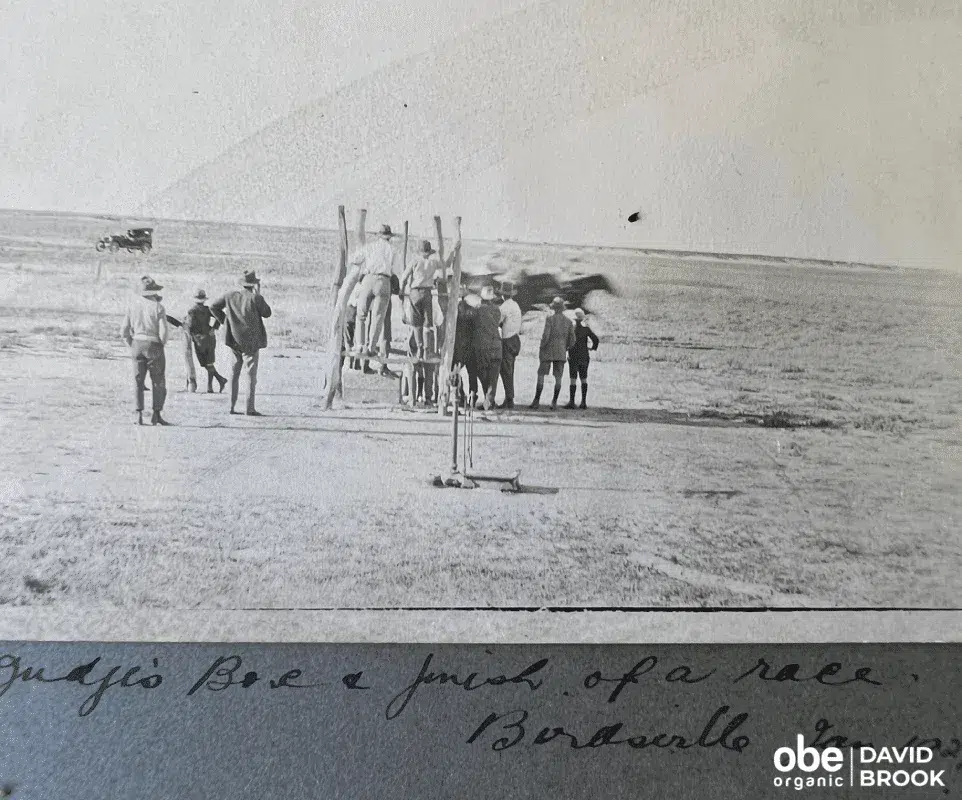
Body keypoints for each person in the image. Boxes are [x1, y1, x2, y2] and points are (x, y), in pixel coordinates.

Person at [210, 270, 272, 416]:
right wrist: (259, 293)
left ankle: (231, 407)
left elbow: (213, 307)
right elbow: (267, 313)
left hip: (234, 340)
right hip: (251, 342)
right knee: (250, 375)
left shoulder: (230, 296)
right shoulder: (256, 298)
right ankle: (249, 408)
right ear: (254, 284)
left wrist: (225, 321)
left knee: (234, 374)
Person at [120, 275, 170, 426]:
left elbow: (124, 331)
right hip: (153, 344)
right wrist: (161, 345)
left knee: (138, 381)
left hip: (137, 343)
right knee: (158, 381)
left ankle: (139, 415)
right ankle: (156, 413)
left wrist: (132, 344)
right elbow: (164, 332)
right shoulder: (158, 307)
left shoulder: (132, 306)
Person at [400, 239, 460, 360]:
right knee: (428, 324)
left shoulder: (415, 261)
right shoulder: (433, 263)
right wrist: (453, 250)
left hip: (415, 292)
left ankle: (419, 349)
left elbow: (404, 277)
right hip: (427, 293)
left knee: (417, 324)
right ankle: (427, 351)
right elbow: (447, 264)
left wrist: (401, 291)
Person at [349, 224, 400, 358]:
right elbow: (395, 270)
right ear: (389, 237)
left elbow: (354, 259)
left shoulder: (371, 246)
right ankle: (371, 347)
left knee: (361, 315)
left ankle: (360, 345)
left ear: (379, 235)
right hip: (384, 281)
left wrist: (362, 270)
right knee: (378, 317)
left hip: (369, 278)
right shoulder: (393, 250)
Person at [530, 296, 575, 411]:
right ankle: (554, 402)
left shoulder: (550, 319)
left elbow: (546, 336)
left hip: (548, 350)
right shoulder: (569, 322)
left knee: (541, 374)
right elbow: (572, 340)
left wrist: (542, 346)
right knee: (558, 377)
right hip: (560, 352)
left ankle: (536, 401)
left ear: (554, 308)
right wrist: (565, 347)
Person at [184, 289, 228, 394]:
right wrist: (214, 328)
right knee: (209, 363)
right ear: (204, 299)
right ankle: (212, 385)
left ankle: (217, 383)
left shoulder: (192, 311)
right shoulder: (208, 309)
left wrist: (184, 326)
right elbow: (220, 317)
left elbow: (190, 326)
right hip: (210, 337)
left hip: (199, 339)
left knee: (205, 364)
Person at [472, 285, 503, 410]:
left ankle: (488, 400)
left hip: (482, 347)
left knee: (483, 373)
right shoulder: (497, 310)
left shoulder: (477, 311)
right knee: (493, 375)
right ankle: (489, 400)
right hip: (496, 345)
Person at [564, 308, 599, 409]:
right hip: (584, 356)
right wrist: (593, 348)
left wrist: (566, 349)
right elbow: (596, 339)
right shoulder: (586, 329)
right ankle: (583, 402)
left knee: (573, 379)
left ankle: (572, 402)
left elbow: (567, 342)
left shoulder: (571, 330)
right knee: (584, 378)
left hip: (573, 356)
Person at [496, 280, 522, 409]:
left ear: (502, 295)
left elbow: (498, 321)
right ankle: (509, 397)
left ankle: (509, 398)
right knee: (510, 369)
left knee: (505, 370)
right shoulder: (516, 305)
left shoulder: (504, 307)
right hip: (516, 339)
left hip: (507, 340)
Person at [453, 291, 480, 406]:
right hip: (471, 345)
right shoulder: (473, 311)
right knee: (472, 373)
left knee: (455, 371)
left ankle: (460, 394)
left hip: (458, 346)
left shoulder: (454, 311)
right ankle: (473, 394)